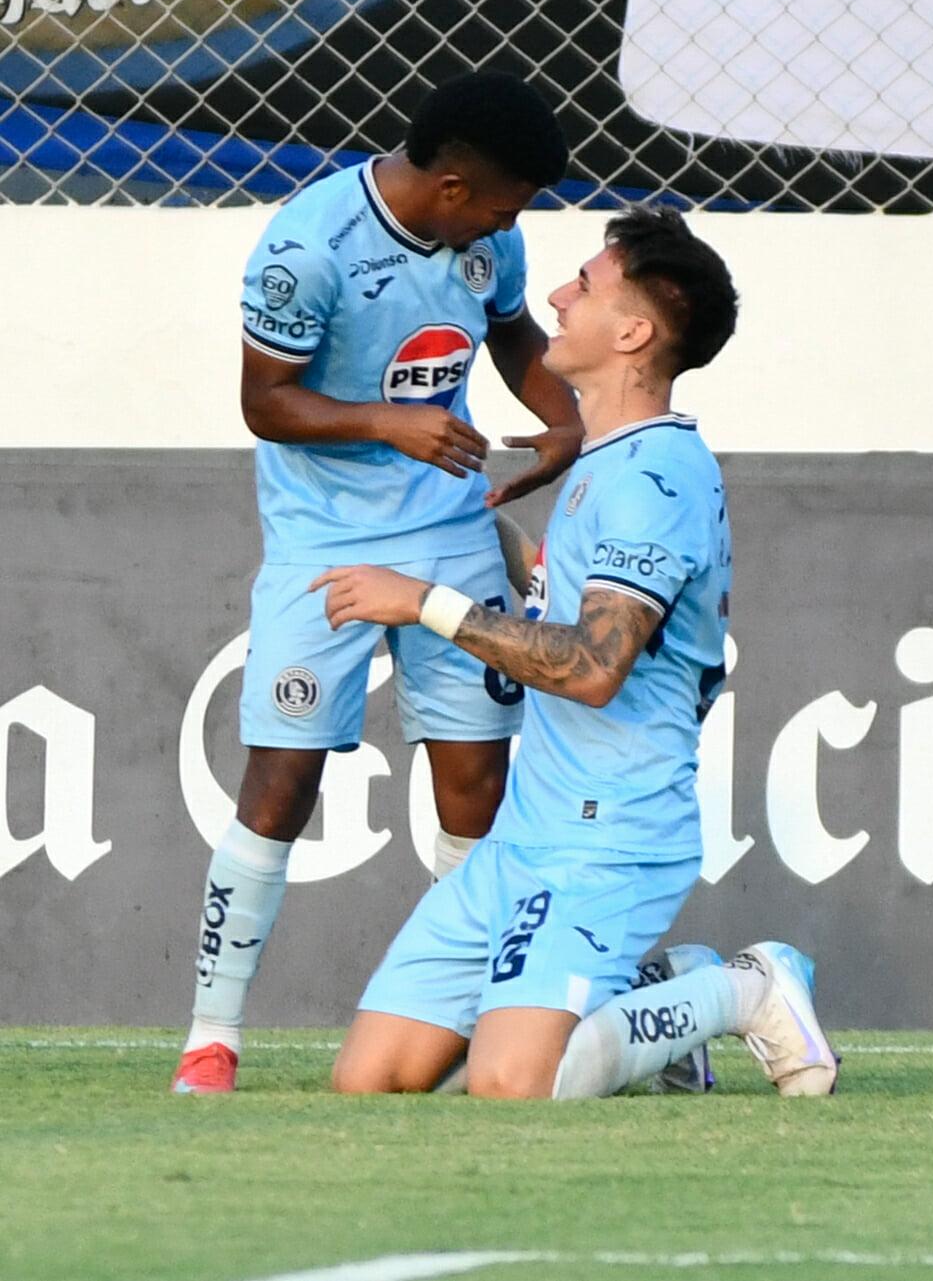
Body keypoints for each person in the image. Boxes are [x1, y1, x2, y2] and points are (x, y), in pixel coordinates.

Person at [314, 203, 839, 1100]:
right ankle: (644, 996)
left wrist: (425, 602)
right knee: (372, 1082)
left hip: (610, 839)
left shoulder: (652, 478)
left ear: (632, 331)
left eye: (585, 285)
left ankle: (743, 988)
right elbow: (565, 598)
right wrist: (459, 538)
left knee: (515, 1082)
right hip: (526, 838)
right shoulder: (607, 458)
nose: (556, 296)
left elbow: (595, 667)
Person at [171, 72, 582, 1095]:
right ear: (450, 186)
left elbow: (512, 331)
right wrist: (386, 422)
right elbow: (265, 403)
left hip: (450, 535)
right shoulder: (306, 249)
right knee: (281, 784)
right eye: (503, 203)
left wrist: (566, 419)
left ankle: (475, 1020)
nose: (511, 222)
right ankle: (211, 1036)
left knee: (477, 787)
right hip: (323, 553)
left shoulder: (487, 238)